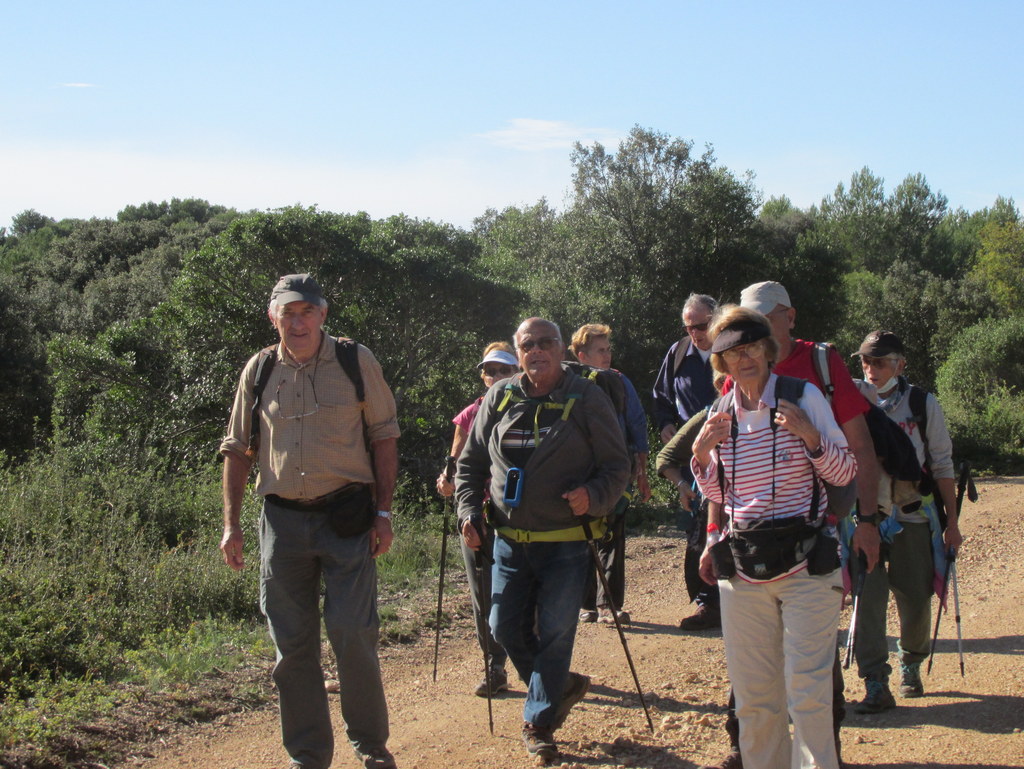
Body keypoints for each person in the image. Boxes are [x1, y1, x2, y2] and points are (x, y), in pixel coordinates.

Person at [219, 274, 400, 769]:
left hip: (347, 520)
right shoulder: (258, 370)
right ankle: (308, 755)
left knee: (351, 632)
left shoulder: (355, 361)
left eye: (306, 312)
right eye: (287, 313)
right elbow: (237, 449)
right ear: (273, 317)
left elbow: (385, 435)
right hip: (282, 524)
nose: (297, 322)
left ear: (322, 315)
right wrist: (231, 525)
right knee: (292, 646)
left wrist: (383, 513)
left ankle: (371, 745)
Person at [702, 280, 882, 769]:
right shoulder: (721, 412)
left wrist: (811, 438)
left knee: (808, 695)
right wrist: (702, 455)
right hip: (743, 570)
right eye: (733, 353)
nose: (744, 360)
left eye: (753, 348)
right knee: (756, 699)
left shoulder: (802, 397)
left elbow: (846, 471)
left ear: (769, 349)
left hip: (808, 567)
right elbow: (721, 495)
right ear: (721, 362)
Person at [455, 318, 631, 762]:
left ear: (561, 348)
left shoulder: (587, 396)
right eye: (527, 344)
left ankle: (539, 722)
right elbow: (471, 463)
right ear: (518, 353)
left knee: (554, 633)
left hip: (566, 541)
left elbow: (617, 465)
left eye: (546, 342)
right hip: (509, 540)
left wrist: (593, 495)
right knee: (503, 627)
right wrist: (468, 511)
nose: (537, 350)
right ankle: (559, 685)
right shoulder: (500, 396)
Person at [848, 330, 962, 713]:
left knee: (915, 599)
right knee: (868, 600)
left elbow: (943, 464)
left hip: (913, 515)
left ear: (901, 364)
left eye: (879, 361)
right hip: (867, 519)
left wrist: (952, 522)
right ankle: (875, 681)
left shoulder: (922, 403)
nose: (871, 368)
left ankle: (911, 662)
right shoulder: (851, 401)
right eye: (865, 361)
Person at [435, 342, 519, 697]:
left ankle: (543, 662)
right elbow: (455, 460)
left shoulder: (530, 408)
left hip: (520, 514)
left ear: (516, 372)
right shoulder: (470, 414)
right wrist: (447, 480)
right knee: (483, 594)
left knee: (524, 594)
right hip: (478, 513)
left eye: (503, 370)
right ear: (483, 376)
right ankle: (495, 665)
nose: (496, 377)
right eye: (490, 371)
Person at [569, 323, 651, 625]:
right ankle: (584, 603)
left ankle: (609, 605)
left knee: (612, 536)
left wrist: (641, 472)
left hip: (615, 472)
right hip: (577, 473)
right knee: (579, 538)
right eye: (600, 351)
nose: (607, 356)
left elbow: (637, 424)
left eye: (608, 349)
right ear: (582, 355)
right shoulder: (566, 383)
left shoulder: (619, 381)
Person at [652, 294, 723, 631]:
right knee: (697, 527)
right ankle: (707, 602)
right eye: (689, 326)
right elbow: (661, 396)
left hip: (735, 448)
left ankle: (728, 600)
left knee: (725, 524)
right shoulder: (679, 353)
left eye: (701, 325)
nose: (694, 332)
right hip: (694, 454)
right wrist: (665, 422)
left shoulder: (731, 350)